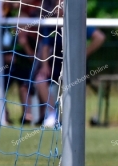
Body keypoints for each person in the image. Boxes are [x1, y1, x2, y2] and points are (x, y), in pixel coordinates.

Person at [35, 0, 105, 128]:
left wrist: (84, 53)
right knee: (39, 79)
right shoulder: (51, 23)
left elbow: (99, 37)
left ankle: (74, 118)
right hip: (55, 65)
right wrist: (45, 66)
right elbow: (45, 46)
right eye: (56, 5)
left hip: (74, 66)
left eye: (61, 5)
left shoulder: (78, 21)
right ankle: (52, 114)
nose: (57, 8)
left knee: (74, 86)